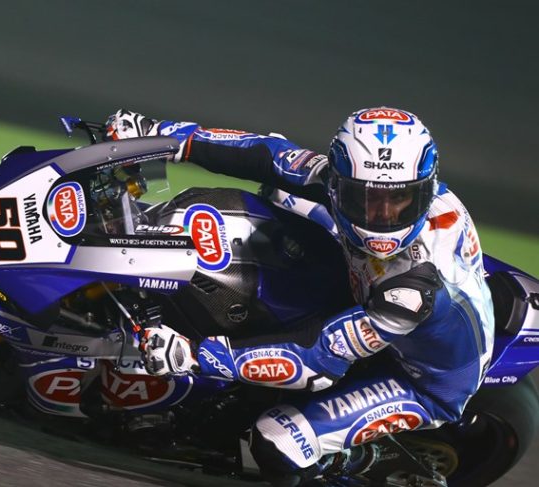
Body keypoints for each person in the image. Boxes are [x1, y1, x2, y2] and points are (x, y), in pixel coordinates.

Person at [105, 108, 495, 485]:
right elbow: (268, 155)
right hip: (366, 292)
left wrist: (195, 356)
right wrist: (163, 136)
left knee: (279, 441)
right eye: (364, 198)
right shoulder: (365, 184)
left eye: (399, 200)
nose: (382, 216)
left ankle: (359, 463)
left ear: (424, 191)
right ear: (338, 182)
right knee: (279, 189)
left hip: (419, 376)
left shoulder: (412, 290)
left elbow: (318, 358)